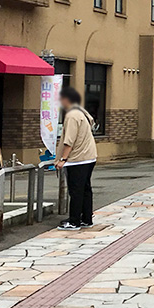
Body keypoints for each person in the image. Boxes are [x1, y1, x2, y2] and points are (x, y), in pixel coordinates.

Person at [55, 87, 97, 231]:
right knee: (85, 189)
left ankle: (74, 221)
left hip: (78, 159)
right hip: (89, 157)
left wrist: (63, 159)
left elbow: (69, 141)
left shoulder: (72, 115)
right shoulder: (81, 112)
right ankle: (86, 219)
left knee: (76, 190)